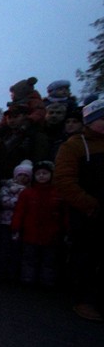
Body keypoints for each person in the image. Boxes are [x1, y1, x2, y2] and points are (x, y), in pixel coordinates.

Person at [54, 94, 104, 321]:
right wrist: (90, 206)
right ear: (91, 120)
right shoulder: (74, 145)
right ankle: (84, 300)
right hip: (86, 212)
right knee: (85, 255)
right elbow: (64, 181)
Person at [11, 160, 64, 287]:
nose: (41, 176)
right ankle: (28, 279)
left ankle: (47, 281)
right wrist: (16, 227)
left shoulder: (57, 193)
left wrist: (65, 228)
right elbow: (20, 212)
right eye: (38, 173)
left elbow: (63, 212)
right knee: (29, 258)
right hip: (31, 232)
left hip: (51, 233)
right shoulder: (27, 193)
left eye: (45, 173)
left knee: (49, 259)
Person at [0, 160, 31, 281]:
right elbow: (5, 201)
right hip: (5, 222)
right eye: (20, 174)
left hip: (21, 224)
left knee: (17, 249)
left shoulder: (29, 190)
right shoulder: (7, 187)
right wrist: (21, 200)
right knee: (4, 247)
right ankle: (1, 271)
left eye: (26, 175)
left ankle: (13, 272)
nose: (23, 177)